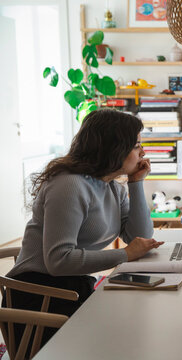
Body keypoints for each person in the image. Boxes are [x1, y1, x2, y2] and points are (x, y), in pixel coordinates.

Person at [5, 108, 163, 349]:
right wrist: (126, 254)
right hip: (38, 295)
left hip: (73, 286)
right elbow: (58, 261)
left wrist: (136, 183)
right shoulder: (69, 185)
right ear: (114, 148)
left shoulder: (111, 187)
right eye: (136, 145)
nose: (143, 152)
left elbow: (139, 236)